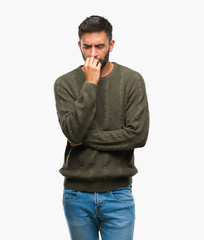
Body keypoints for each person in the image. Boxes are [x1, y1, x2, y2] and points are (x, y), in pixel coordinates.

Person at [54, 15, 149, 240]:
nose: (93, 54)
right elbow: (72, 132)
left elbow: (138, 135)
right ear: (79, 45)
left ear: (111, 45)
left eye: (100, 46)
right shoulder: (65, 83)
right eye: (87, 47)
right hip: (76, 195)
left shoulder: (132, 80)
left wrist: (84, 139)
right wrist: (90, 83)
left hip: (118, 194)